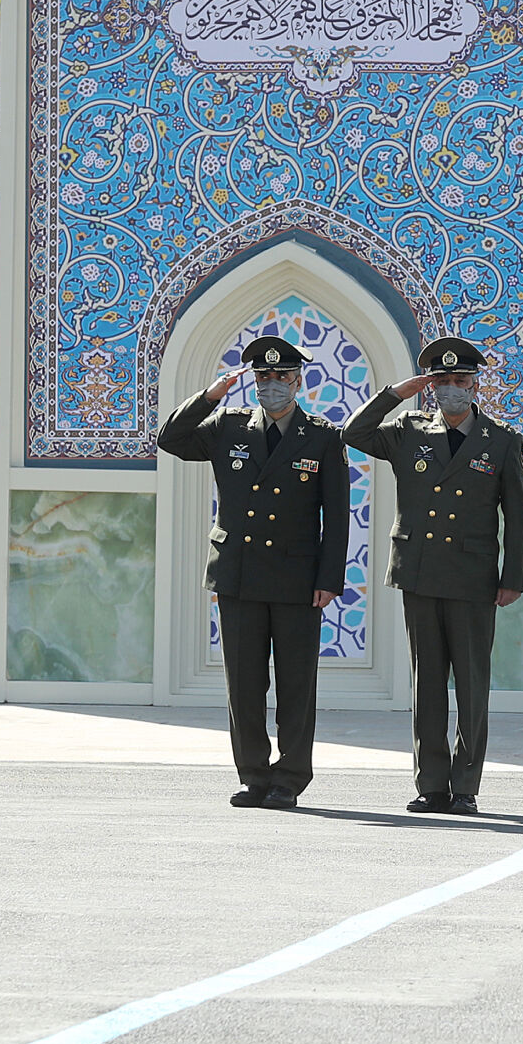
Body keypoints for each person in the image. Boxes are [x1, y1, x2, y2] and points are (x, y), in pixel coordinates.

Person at [157, 335, 351, 810]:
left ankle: (289, 778)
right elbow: (171, 440)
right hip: (238, 574)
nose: (271, 385)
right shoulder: (228, 425)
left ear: (297, 380)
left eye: (281, 377)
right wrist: (210, 396)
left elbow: (337, 513)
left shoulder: (321, 435)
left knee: (295, 684)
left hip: (297, 579)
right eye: (263, 377)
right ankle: (253, 775)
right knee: (244, 684)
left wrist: (329, 579)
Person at [342, 336, 523, 815]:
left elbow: (516, 516)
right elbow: (354, 433)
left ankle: (465, 786)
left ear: (474, 384)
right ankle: (431, 786)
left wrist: (511, 578)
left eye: (459, 381)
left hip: (472, 577)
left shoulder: (501, 440)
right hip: (420, 573)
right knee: (426, 686)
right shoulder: (409, 430)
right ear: (430, 386)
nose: (451, 389)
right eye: (441, 382)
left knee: (470, 684)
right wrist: (395, 394)